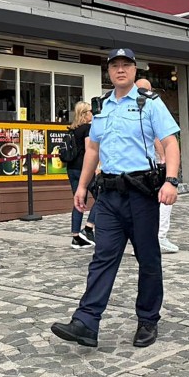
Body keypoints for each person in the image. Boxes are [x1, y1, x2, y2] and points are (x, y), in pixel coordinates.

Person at [51, 48, 181, 348]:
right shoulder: (102, 107)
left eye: (126, 65)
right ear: (108, 71)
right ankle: (86, 322)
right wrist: (82, 187)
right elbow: (93, 150)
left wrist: (171, 181)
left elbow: (170, 143)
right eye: (114, 66)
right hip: (109, 194)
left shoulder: (149, 103)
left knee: (148, 259)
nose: (120, 70)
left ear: (135, 70)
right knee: (102, 257)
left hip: (141, 193)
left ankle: (148, 320)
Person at [136, 77, 179, 254]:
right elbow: (161, 138)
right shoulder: (149, 106)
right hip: (149, 168)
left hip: (145, 168)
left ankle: (147, 239)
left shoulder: (150, 106)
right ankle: (159, 236)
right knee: (162, 202)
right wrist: (164, 161)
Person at [65, 100, 96, 248]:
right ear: (84, 114)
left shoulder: (72, 129)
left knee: (78, 200)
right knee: (102, 197)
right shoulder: (87, 129)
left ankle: (76, 237)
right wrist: (95, 167)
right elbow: (90, 149)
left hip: (71, 168)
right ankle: (89, 228)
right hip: (84, 168)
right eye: (90, 111)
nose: (92, 113)